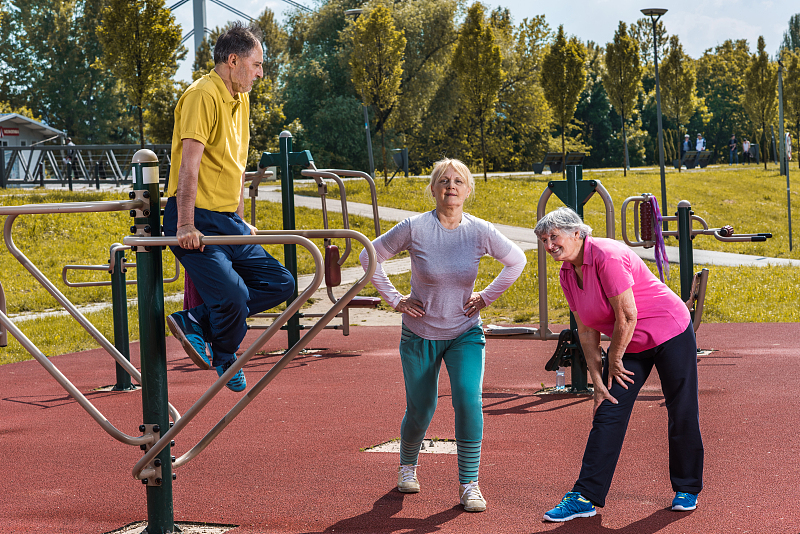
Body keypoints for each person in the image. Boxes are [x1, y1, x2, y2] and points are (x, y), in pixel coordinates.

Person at [359, 158, 526, 513]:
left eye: (458, 181)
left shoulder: (479, 230)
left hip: (465, 331)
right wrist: (395, 299)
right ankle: (408, 466)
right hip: (420, 333)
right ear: (433, 189)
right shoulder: (414, 227)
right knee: (422, 407)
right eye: (444, 181)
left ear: (468, 191)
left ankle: (469, 485)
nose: (451, 186)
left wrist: (486, 296)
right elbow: (368, 255)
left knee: (468, 399)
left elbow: (517, 261)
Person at [534, 207, 703, 523]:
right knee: (608, 409)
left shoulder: (606, 255)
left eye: (553, 237)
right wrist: (598, 382)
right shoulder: (567, 274)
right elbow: (586, 330)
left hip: (669, 330)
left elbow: (627, 315)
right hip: (632, 342)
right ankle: (585, 496)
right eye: (544, 241)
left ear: (577, 233)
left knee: (681, 409)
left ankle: (687, 488)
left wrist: (613, 359)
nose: (549, 246)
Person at [163, 22, 294, 392]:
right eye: (256, 64)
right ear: (233, 60)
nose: (260, 73)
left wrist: (240, 218)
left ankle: (198, 323)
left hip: (226, 220)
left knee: (281, 282)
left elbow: (235, 165)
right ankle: (225, 354)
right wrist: (185, 224)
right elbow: (190, 167)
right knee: (233, 295)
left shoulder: (241, 98)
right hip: (196, 218)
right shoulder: (202, 95)